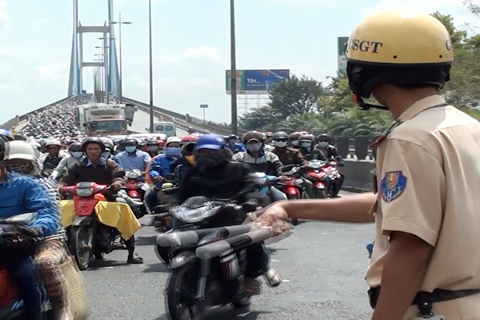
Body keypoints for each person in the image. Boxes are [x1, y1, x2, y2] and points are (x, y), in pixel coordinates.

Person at [254, 10, 480, 320]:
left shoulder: (410, 139)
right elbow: (390, 204)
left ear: (364, 71)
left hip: (432, 308)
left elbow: (411, 246)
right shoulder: (464, 127)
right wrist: (290, 208)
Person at [176, 133, 281, 296]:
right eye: (202, 152)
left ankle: (251, 276)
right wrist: (169, 206)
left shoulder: (239, 168)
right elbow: (182, 196)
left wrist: (249, 203)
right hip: (200, 220)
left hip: (232, 217)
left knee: (252, 241)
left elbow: (250, 190)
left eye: (211, 151)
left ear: (223, 151)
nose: (206, 155)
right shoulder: (193, 173)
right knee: (172, 239)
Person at [3, 140, 73, 320]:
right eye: (14, 163)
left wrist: (35, 228)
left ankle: (53, 311)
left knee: (30, 276)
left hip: (15, 244)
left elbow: (47, 214)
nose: (18, 166)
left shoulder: (28, 185)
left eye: (22, 163)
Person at [59, 137, 143, 264]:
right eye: (90, 149)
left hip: (107, 197)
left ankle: (131, 252)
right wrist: (60, 186)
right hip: (81, 197)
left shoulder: (110, 164)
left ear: (101, 150)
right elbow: (66, 179)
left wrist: (116, 184)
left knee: (124, 209)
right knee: (59, 210)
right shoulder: (78, 166)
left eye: (96, 149)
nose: (93, 151)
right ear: (85, 151)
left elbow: (118, 175)